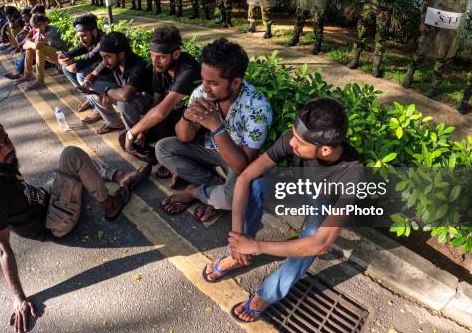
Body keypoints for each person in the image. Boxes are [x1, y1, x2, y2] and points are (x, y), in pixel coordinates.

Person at [0, 118, 151, 333]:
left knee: (71, 162)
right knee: (72, 156)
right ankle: (111, 205)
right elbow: (2, 248)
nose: (8, 148)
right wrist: (19, 298)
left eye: (6, 139)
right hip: (54, 222)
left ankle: (117, 176)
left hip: (44, 196)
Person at [202, 98, 362, 323]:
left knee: (313, 237)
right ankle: (237, 255)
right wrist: (238, 238)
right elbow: (246, 176)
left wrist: (257, 246)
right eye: (293, 135)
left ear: (325, 149)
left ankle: (267, 296)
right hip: (295, 186)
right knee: (256, 185)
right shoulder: (297, 138)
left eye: (299, 142)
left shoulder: (352, 174)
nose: (292, 143)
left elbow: (321, 244)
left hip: (325, 200)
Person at [156, 38, 273, 223]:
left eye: (213, 83)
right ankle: (213, 186)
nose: (205, 88)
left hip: (237, 156)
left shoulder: (258, 109)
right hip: (209, 148)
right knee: (163, 148)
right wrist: (187, 117)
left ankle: (195, 191)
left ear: (235, 83)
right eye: (203, 80)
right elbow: (184, 138)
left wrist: (216, 127)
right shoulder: (202, 93)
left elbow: (241, 166)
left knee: (231, 198)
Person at [121, 25, 200, 165]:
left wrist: (132, 132)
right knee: (124, 138)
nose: (155, 61)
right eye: (152, 55)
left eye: (161, 57)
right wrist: (142, 131)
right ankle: (160, 156)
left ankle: (171, 159)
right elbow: (156, 102)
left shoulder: (188, 68)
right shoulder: (160, 66)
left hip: (189, 122)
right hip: (171, 115)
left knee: (159, 119)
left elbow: (162, 111)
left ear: (175, 54)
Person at [402, 0, 471, 97]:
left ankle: (433, 86)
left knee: (442, 56)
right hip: (432, 22)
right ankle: (410, 73)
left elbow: (462, 10)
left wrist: (458, 31)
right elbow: (428, 0)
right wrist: (422, 20)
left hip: (449, 28)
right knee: (421, 49)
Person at [82, 32, 154, 135]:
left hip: (147, 102)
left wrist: (107, 91)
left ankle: (135, 134)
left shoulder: (138, 65)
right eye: (103, 56)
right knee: (93, 87)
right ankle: (114, 123)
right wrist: (86, 82)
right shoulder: (111, 60)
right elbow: (93, 74)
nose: (104, 61)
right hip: (127, 94)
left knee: (123, 103)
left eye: (107, 56)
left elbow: (125, 96)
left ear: (121, 54)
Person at [58, 14, 106, 116]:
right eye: (79, 37)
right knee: (67, 68)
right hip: (98, 73)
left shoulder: (103, 42)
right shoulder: (90, 40)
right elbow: (67, 55)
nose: (81, 40)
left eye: (83, 35)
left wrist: (68, 64)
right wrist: (63, 60)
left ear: (94, 32)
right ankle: (91, 98)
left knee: (81, 73)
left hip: (112, 78)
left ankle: (100, 104)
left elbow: (77, 66)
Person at [14, 14, 68, 90]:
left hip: (62, 54)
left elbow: (37, 45)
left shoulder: (53, 31)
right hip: (51, 54)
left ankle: (39, 81)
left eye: (40, 25)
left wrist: (29, 43)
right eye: (36, 27)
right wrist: (30, 43)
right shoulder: (38, 31)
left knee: (39, 48)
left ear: (45, 23)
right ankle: (27, 75)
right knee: (30, 49)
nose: (38, 29)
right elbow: (24, 46)